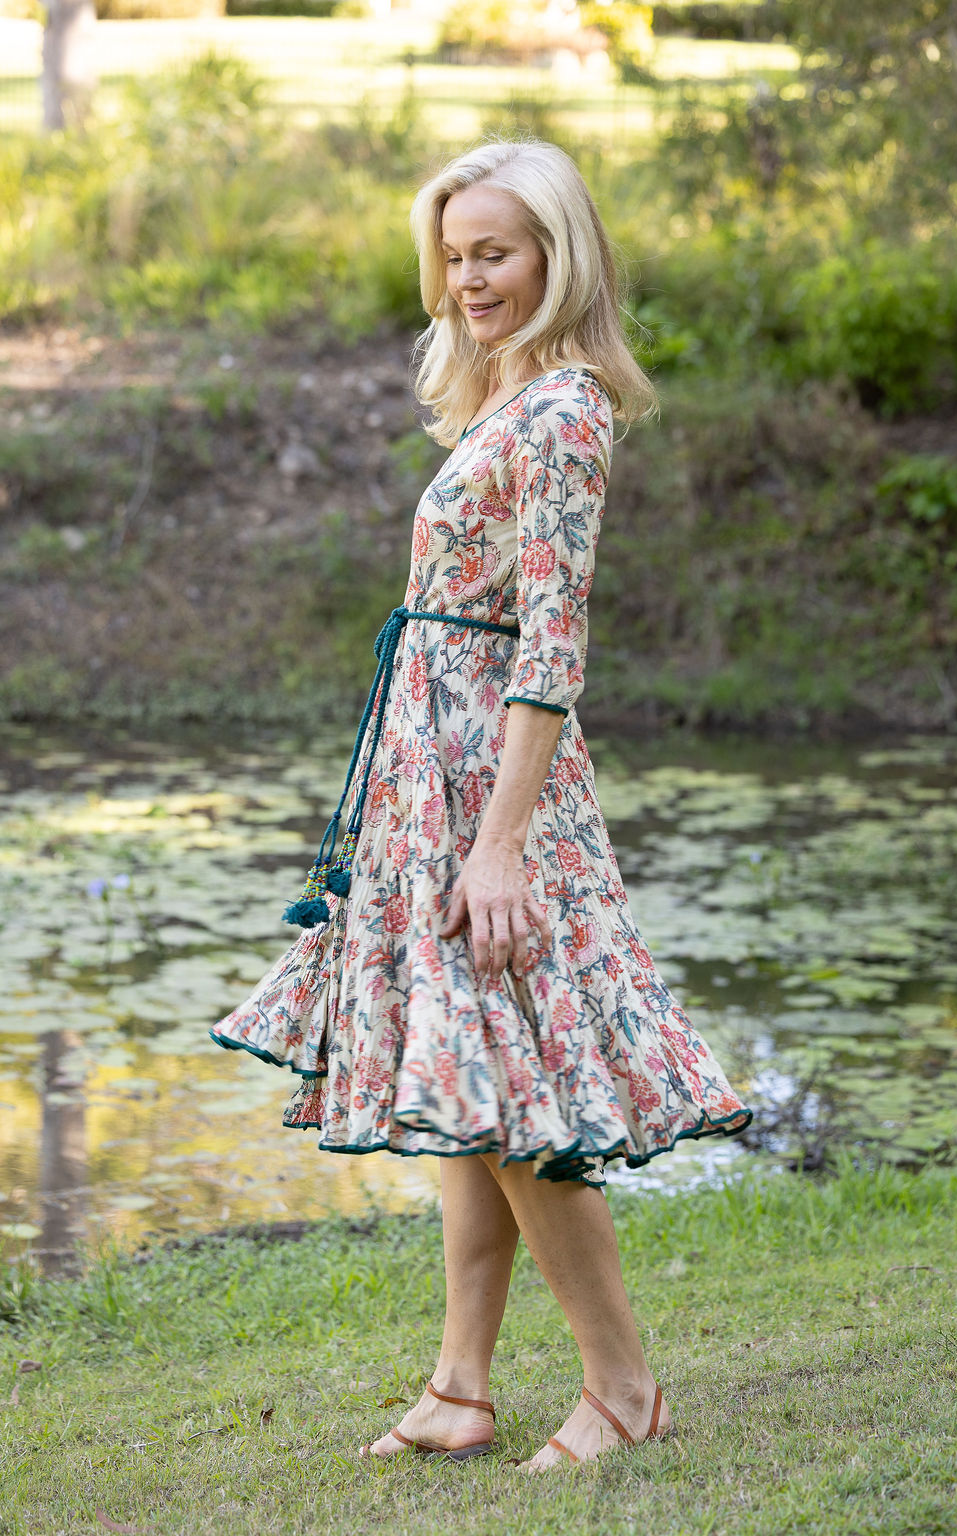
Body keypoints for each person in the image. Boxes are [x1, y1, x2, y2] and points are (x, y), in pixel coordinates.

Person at [209, 138, 752, 1470]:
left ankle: (623, 1389)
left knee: (513, 1088)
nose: (468, 280)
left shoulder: (564, 415)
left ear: (557, 256)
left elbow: (553, 646)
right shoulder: (501, 405)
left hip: (489, 786)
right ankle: (459, 1386)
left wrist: (500, 843)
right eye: (454, 256)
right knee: (469, 1083)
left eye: (495, 252)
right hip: (426, 766)